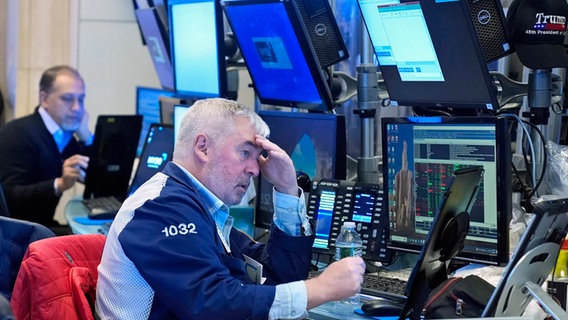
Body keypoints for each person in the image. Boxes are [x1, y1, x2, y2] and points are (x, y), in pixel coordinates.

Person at [96, 98, 365, 319]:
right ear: (203, 147)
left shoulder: (201, 208)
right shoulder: (161, 207)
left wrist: (287, 188)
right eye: (245, 152)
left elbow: (279, 278)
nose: (254, 168)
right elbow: (211, 304)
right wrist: (320, 288)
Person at [0, 65, 91, 233]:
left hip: (42, 226)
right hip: (16, 235)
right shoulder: (17, 134)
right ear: (44, 99)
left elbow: (99, 180)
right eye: (68, 99)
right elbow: (9, 198)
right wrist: (60, 184)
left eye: (81, 99)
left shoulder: (65, 136)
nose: (77, 108)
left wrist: (86, 136)